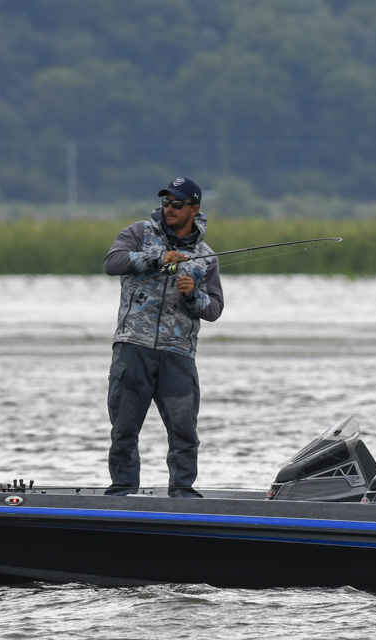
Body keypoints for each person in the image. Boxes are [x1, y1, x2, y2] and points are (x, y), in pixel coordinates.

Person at [103, 176, 224, 497]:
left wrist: (193, 295)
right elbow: (112, 263)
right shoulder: (138, 233)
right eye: (166, 202)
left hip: (178, 354)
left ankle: (182, 493)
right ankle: (122, 492)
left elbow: (214, 308)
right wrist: (157, 257)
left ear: (194, 209)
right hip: (133, 346)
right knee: (124, 429)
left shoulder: (206, 256)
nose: (169, 208)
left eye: (177, 204)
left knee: (184, 432)